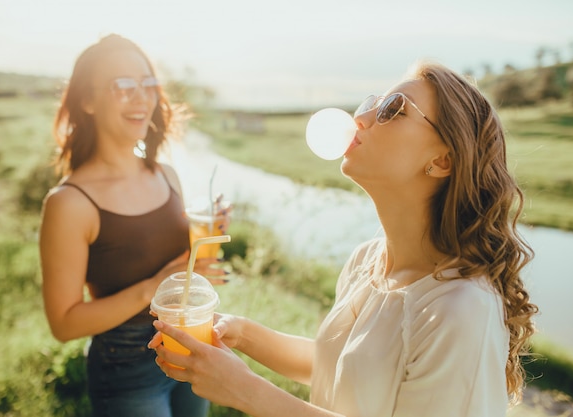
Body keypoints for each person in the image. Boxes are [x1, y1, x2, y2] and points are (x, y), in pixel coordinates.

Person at [148, 61, 539, 417]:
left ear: (442, 161)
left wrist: (245, 390)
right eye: (373, 102)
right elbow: (342, 365)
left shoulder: (460, 309)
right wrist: (239, 332)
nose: (360, 117)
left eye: (393, 109)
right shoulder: (367, 262)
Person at [39, 34, 229, 417]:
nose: (141, 97)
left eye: (148, 85)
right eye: (123, 86)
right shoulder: (69, 203)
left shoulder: (168, 175)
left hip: (191, 344)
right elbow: (63, 323)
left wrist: (202, 247)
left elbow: (177, 264)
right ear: (87, 101)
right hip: (125, 364)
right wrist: (152, 287)